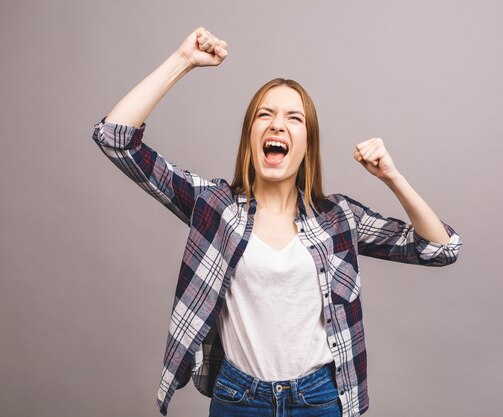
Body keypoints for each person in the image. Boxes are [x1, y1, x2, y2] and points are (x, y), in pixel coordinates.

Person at [92, 27, 462, 417]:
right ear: (250, 135)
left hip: (318, 399)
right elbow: (116, 138)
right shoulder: (215, 208)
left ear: (307, 143)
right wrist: (182, 61)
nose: (277, 125)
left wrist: (393, 178)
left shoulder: (338, 219)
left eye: (294, 118)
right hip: (238, 398)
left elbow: (440, 249)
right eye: (264, 115)